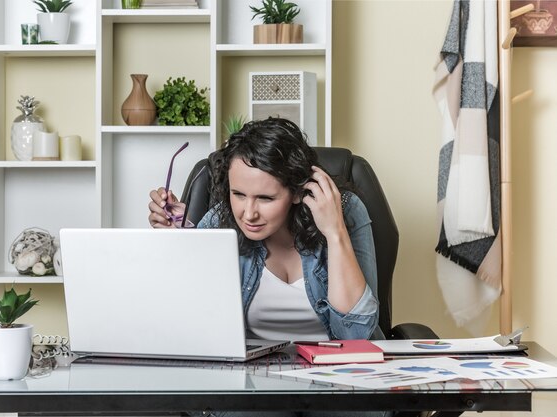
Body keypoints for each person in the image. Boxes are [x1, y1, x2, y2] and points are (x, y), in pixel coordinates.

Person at [149, 117, 384, 342]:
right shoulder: (220, 219)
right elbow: (191, 324)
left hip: (332, 373)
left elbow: (355, 335)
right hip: (250, 375)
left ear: (297, 192)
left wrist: (335, 232)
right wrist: (179, 241)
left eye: (266, 198)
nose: (249, 213)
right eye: (238, 194)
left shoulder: (346, 210)